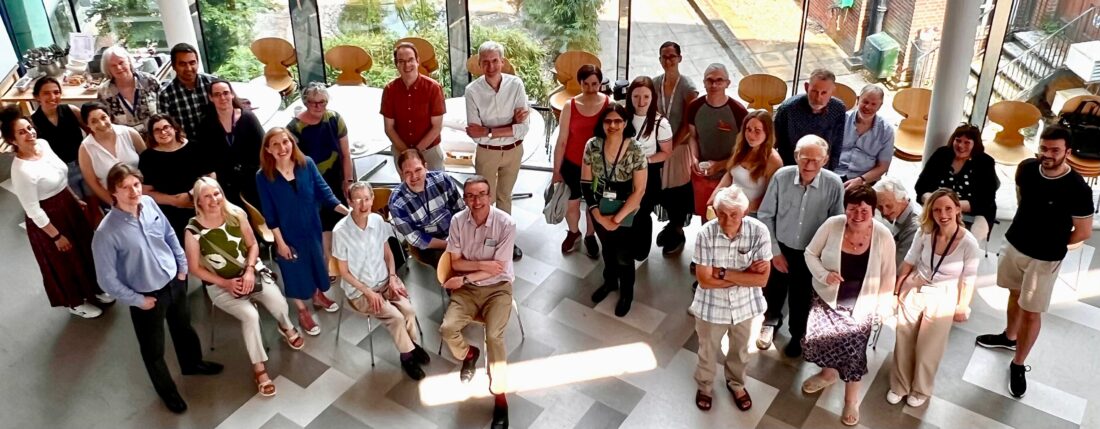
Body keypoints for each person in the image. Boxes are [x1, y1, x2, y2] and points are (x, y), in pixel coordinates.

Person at [91, 163, 222, 414]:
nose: (133, 192)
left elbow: (169, 234)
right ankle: (168, 392)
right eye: (125, 187)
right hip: (146, 297)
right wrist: (138, 300)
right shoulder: (106, 233)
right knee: (154, 350)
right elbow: (106, 279)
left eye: (136, 185)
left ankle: (192, 364)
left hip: (174, 281)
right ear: (113, 192)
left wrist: (182, 267)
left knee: (183, 328)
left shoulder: (149, 204)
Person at [976, 126, 1094, 398]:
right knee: (1014, 294)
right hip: (1015, 244)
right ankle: (1009, 336)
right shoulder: (1027, 169)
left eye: (1055, 150)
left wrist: (1053, 241)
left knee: (1032, 311)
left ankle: (1018, 364)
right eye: (1044, 148)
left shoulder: (1077, 189)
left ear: (1068, 152)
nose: (1048, 154)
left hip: (1045, 257)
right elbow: (1022, 200)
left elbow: (1084, 231)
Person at [183, 177, 304, 398]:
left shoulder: (236, 214)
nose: (214, 200)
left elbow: (252, 245)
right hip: (220, 285)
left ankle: (285, 326)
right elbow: (194, 268)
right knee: (250, 316)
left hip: (251, 272)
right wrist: (226, 283)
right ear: (198, 202)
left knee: (277, 301)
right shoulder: (192, 231)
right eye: (207, 196)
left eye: (217, 193)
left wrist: (249, 271)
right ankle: (259, 368)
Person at [801, 185, 895, 426]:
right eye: (852, 209)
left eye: (864, 210)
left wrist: (883, 307)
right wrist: (824, 275)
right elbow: (810, 253)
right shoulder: (833, 225)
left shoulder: (883, 236)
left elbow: (888, 276)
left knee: (854, 355)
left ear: (873, 211)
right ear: (845, 209)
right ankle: (828, 374)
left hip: (861, 307)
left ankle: (851, 401)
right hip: (827, 302)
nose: (858, 215)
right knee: (826, 343)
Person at [3, 107, 110, 318]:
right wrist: (56, 236)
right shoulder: (21, 171)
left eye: (29, 128)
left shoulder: (43, 144)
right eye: (22, 132)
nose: (29, 133)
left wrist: (75, 198)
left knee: (85, 249)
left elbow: (60, 176)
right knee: (66, 261)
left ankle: (94, 289)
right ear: (13, 140)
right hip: (49, 218)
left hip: (68, 204)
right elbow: (32, 209)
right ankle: (76, 302)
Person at [888, 188, 979, 407]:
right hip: (917, 284)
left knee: (930, 347)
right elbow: (909, 261)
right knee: (904, 338)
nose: (943, 214)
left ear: (957, 209)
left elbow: (968, 279)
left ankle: (920, 389)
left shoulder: (969, 244)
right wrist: (896, 291)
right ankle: (899, 384)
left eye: (948, 208)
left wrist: (962, 306)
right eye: (937, 209)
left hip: (944, 294)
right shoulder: (925, 231)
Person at [255, 128, 350, 336]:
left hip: (312, 226)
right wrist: (280, 243)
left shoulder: (306, 163)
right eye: (276, 144)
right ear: (268, 150)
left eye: (285, 142)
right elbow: (269, 214)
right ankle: (302, 310)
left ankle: (317, 295)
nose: (282, 148)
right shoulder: (263, 177)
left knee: (316, 262)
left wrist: (348, 213)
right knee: (293, 271)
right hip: (287, 233)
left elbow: (325, 193)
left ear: (292, 143)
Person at [439, 175, 517, 429]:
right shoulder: (457, 221)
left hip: (497, 289)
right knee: (447, 329)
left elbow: (498, 270)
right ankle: (469, 354)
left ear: (490, 196)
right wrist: (482, 265)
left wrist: (466, 277)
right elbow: (456, 262)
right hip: (468, 289)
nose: (477, 200)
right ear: (465, 199)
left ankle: (500, 397)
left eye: (482, 194)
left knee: (494, 337)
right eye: (471, 195)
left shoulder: (506, 223)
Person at [334, 181, 431, 380]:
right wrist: (368, 292)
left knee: (409, 310)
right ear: (350, 201)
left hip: (385, 280)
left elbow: (387, 253)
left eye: (367, 199)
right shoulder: (340, 232)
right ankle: (407, 357)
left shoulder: (378, 221)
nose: (364, 204)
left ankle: (410, 346)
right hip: (361, 291)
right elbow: (343, 272)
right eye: (358, 199)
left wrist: (394, 278)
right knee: (395, 317)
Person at [756, 135, 844, 356]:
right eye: (804, 159)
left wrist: (822, 258)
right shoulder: (781, 177)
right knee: (774, 289)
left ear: (825, 160)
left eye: (816, 160)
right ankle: (770, 322)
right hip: (781, 246)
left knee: (802, 296)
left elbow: (837, 224)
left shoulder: (834, 184)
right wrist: (774, 252)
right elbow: (766, 215)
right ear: (796, 156)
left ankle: (797, 335)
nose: (809, 165)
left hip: (811, 252)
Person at [690, 186, 771, 412]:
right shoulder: (705, 233)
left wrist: (723, 273)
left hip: (746, 306)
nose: (727, 220)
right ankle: (705, 386)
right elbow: (705, 280)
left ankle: (736, 383)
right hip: (711, 307)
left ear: (744, 213)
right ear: (715, 211)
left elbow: (762, 279)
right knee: (708, 350)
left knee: (741, 350)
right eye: (722, 213)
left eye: (734, 214)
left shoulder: (759, 231)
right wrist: (746, 276)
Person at [465, 40, 529, 260]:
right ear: (480, 64)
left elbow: (522, 129)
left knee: (505, 197)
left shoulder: (516, 84)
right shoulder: (472, 90)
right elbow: (474, 132)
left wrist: (489, 129)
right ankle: (484, 242)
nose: (491, 66)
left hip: (513, 151)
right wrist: (509, 124)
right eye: (486, 62)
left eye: (495, 61)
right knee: (483, 200)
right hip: (487, 153)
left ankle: (506, 241)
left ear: (502, 61)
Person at [581, 104, 648, 316]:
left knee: (624, 255)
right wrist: (598, 215)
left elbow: (639, 191)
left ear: (626, 123)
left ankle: (627, 293)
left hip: (627, 207)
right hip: (600, 204)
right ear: (602, 123)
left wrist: (616, 219)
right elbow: (585, 181)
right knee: (608, 249)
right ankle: (610, 282)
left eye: (618, 121)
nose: (613, 125)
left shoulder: (636, 150)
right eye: (608, 121)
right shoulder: (592, 145)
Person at [288, 82, 354, 274]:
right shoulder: (295, 127)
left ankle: (343, 263)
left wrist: (348, 181)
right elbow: (294, 163)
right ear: (305, 102)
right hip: (311, 183)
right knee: (321, 225)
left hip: (337, 178)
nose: (319, 106)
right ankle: (327, 265)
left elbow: (346, 153)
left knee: (340, 222)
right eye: (314, 102)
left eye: (323, 102)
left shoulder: (335, 119)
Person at [552, 64, 609, 258]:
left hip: (598, 167)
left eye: (595, 84)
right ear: (580, 84)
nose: (591, 88)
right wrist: (556, 170)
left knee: (594, 204)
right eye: (587, 84)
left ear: (600, 84)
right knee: (572, 202)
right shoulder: (570, 106)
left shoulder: (609, 105)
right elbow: (562, 141)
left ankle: (590, 235)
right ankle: (574, 231)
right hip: (573, 163)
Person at [914, 123, 999, 242]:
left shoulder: (985, 162)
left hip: (975, 211)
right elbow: (921, 186)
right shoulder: (941, 154)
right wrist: (934, 201)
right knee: (923, 234)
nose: (961, 146)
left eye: (967, 142)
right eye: (958, 140)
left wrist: (951, 206)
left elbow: (985, 201)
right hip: (938, 206)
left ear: (975, 145)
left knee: (968, 242)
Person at [686, 63, 749, 221]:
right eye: (710, 80)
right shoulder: (694, 107)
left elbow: (747, 149)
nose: (714, 84)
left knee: (727, 218)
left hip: (730, 175)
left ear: (727, 83)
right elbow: (692, 136)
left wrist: (720, 165)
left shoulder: (738, 111)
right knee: (706, 215)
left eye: (719, 80)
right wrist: (693, 158)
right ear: (704, 82)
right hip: (703, 173)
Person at [654, 41, 699, 256]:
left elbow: (688, 122)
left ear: (680, 58)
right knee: (662, 188)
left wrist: (671, 145)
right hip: (659, 146)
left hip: (679, 148)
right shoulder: (655, 84)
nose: (668, 60)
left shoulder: (688, 87)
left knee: (679, 190)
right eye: (664, 57)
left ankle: (678, 230)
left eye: (672, 56)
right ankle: (670, 225)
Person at [139, 114, 215, 239]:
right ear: (152, 135)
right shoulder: (147, 158)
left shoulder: (195, 147)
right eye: (157, 130)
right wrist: (175, 201)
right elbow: (146, 191)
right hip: (170, 215)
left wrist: (191, 195)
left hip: (201, 205)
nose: (163, 132)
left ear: (174, 128)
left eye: (166, 127)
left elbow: (210, 175)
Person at [388, 149, 466, 266]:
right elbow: (415, 238)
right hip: (430, 247)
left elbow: (460, 210)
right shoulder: (396, 202)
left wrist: (461, 238)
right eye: (408, 172)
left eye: (418, 169)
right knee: (454, 266)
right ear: (401, 173)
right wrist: (449, 245)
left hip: (456, 235)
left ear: (425, 166)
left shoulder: (443, 180)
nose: (414, 176)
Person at [196, 79, 266, 206]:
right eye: (217, 94)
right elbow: (205, 160)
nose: (222, 97)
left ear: (232, 94)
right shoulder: (205, 125)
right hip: (226, 186)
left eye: (226, 93)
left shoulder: (248, 118)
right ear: (210, 98)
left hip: (254, 181)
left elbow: (263, 148)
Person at [625, 76, 673, 259]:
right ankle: (626, 244)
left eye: (645, 96)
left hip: (648, 172)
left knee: (643, 212)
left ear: (652, 97)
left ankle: (641, 250)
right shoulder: (623, 115)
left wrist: (646, 161)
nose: (641, 101)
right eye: (636, 96)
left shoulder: (660, 123)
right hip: (625, 171)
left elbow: (667, 152)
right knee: (626, 208)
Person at [381, 42, 446, 171]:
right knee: (408, 189)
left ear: (417, 61)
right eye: (401, 61)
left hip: (430, 151)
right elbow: (389, 128)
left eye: (410, 60)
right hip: (401, 152)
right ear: (396, 64)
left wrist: (415, 152)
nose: (406, 65)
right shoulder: (390, 90)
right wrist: (407, 153)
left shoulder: (433, 88)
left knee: (436, 189)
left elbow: (437, 127)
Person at [707, 110, 782, 215]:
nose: (751, 135)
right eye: (748, 129)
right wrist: (714, 196)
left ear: (767, 132)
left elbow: (769, 196)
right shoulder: (742, 148)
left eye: (757, 131)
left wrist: (741, 212)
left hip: (752, 213)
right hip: (730, 206)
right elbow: (730, 175)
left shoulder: (773, 161)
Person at [31, 77, 90, 201]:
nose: (53, 97)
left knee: (95, 202)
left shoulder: (72, 110)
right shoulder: (32, 123)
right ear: (37, 97)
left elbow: (91, 132)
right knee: (78, 206)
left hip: (84, 164)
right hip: (60, 173)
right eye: (46, 93)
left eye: (56, 92)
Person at [773, 69, 846, 168]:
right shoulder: (788, 109)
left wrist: (831, 171)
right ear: (807, 87)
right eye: (814, 91)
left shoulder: (838, 109)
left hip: (822, 167)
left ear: (832, 91)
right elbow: (776, 142)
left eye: (824, 93)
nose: (818, 98)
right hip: (791, 166)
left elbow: (837, 144)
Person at [78, 102, 146, 205]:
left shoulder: (130, 133)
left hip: (144, 194)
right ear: (88, 125)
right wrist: (115, 205)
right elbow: (93, 183)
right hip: (113, 201)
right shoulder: (85, 149)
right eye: (94, 121)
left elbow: (149, 162)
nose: (101, 124)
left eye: (103, 117)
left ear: (109, 116)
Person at [836, 85, 894, 188]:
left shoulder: (886, 131)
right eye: (865, 102)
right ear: (858, 100)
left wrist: (861, 180)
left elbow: (883, 166)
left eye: (873, 104)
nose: (868, 107)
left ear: (880, 106)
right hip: (836, 173)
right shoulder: (842, 119)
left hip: (865, 179)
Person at [157, 43, 216, 138]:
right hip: (186, 146)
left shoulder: (213, 83)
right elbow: (165, 127)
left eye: (192, 63)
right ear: (173, 66)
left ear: (198, 63)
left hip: (217, 141)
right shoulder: (165, 93)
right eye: (182, 64)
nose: (188, 68)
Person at [96, 46, 160, 132]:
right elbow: (106, 122)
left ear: (129, 61)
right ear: (108, 69)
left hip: (157, 137)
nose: (118, 68)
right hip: (125, 140)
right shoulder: (104, 92)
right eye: (113, 65)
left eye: (121, 62)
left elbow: (165, 111)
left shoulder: (150, 81)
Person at [873, 176, 921, 268]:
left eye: (889, 206)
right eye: (880, 207)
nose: (884, 212)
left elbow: (898, 266)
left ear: (903, 199)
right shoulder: (902, 212)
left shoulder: (914, 227)